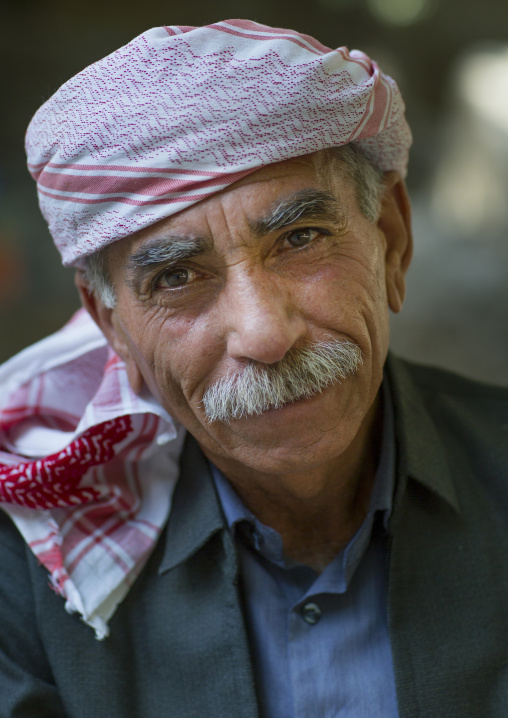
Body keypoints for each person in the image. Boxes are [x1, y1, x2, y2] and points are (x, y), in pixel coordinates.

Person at [1, 19, 508, 718]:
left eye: (301, 238)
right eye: (177, 276)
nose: (265, 334)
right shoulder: (20, 564)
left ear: (390, 239)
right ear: (112, 324)